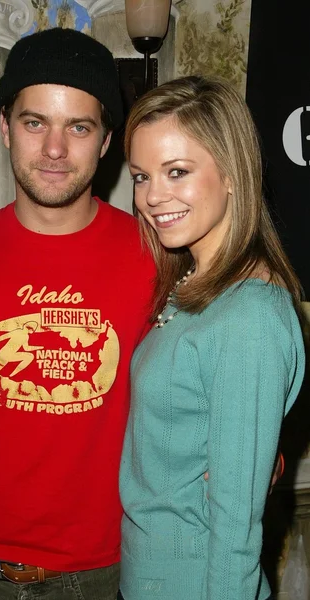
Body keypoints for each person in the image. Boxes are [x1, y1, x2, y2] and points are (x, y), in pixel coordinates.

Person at [0, 28, 156, 600]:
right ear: (4, 126)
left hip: (104, 573)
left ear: (106, 141)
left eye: (79, 126)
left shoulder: (156, 256)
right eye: (34, 121)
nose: (53, 149)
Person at [118, 76, 305, 600]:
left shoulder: (249, 316)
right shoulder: (194, 286)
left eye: (177, 172)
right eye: (141, 176)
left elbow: (235, 530)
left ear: (231, 175)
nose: (153, 197)